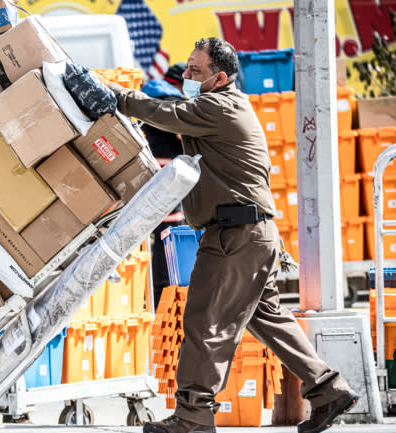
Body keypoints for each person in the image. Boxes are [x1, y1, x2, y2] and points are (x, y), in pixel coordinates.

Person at [104, 38, 357, 433]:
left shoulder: (217, 106)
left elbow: (164, 111)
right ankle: (328, 389)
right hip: (253, 235)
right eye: (187, 67)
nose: (186, 76)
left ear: (219, 78)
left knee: (205, 324)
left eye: (195, 71)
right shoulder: (226, 105)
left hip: (233, 237)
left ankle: (193, 416)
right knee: (268, 318)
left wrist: (114, 97)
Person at [138, 63, 187, 308]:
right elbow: (185, 136)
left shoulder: (152, 97)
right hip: (169, 176)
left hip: (150, 172)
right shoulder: (174, 102)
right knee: (169, 234)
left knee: (157, 234)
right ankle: (163, 293)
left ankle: (154, 293)